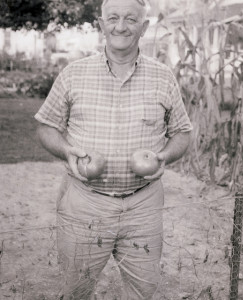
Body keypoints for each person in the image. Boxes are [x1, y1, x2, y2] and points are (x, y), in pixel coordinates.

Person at [35, 0, 192, 299]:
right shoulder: (73, 74)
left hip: (143, 206)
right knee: (76, 290)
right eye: (114, 18)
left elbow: (182, 133)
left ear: (144, 27)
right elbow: (45, 126)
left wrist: (165, 156)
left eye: (131, 19)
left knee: (142, 291)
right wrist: (67, 151)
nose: (121, 26)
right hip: (85, 204)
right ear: (101, 23)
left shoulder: (163, 76)